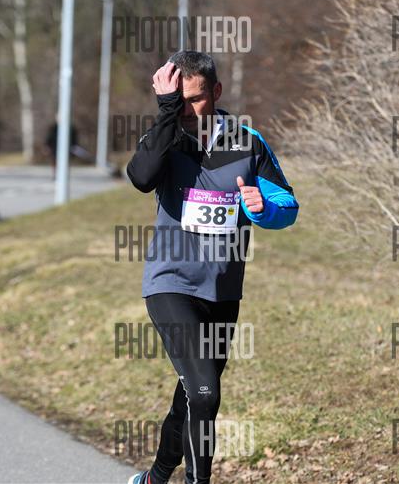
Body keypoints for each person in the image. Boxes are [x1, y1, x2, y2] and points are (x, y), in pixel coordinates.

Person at [126, 51, 299, 484]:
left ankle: (154, 478)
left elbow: (287, 205)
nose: (187, 109)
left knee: (192, 397)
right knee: (205, 391)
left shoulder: (247, 142)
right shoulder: (166, 138)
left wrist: (262, 209)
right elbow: (141, 176)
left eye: (196, 99)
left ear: (217, 92)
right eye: (178, 100)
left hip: (222, 292)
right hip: (170, 285)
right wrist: (166, 112)